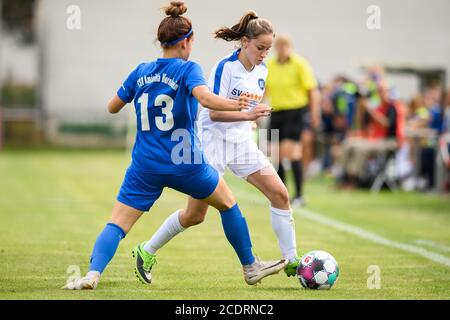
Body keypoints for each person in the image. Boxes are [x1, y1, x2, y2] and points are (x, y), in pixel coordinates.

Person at [63, 1, 287, 290]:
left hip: (145, 165)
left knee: (117, 224)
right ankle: (250, 265)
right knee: (229, 204)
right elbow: (206, 99)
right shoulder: (188, 69)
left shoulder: (140, 71)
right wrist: (239, 104)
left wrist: (137, 89)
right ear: (187, 42)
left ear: (161, 41)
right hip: (185, 160)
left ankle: (92, 274)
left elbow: (112, 107)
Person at [133, 10, 301, 286]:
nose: (264, 54)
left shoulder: (262, 70)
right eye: (260, 48)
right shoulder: (226, 67)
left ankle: (292, 260)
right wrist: (249, 115)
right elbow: (213, 114)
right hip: (212, 144)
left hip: (241, 142)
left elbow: (245, 108)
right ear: (245, 42)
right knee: (195, 215)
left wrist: (249, 122)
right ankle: (147, 250)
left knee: (280, 194)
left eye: (268, 49)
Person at [264, 34, 321, 207]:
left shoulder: (299, 64)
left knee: (292, 152)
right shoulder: (270, 64)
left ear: (290, 47)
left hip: (295, 112)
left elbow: (312, 91)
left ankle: (299, 195)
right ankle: (283, 194)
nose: (282, 49)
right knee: (277, 155)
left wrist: (314, 114)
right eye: (279, 46)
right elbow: (264, 89)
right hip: (277, 112)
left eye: (285, 46)